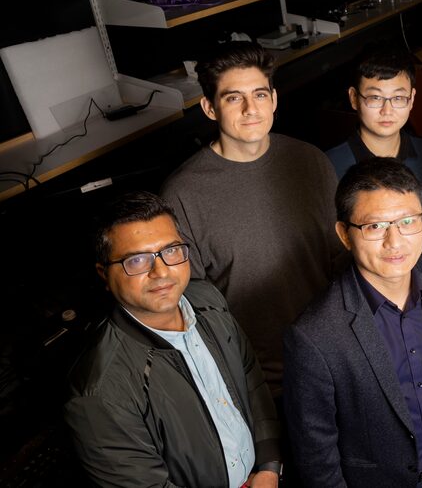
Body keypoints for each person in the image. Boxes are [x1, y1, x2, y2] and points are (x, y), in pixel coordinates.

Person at [283, 158, 422, 488]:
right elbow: (316, 452)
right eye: (375, 226)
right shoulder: (313, 335)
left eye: (408, 221)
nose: (395, 242)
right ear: (344, 234)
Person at [161, 41, 342, 398]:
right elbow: (191, 308)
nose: (250, 109)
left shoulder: (311, 162)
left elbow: (340, 261)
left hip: (331, 361)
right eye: (233, 98)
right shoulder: (182, 195)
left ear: (274, 100)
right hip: (254, 383)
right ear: (209, 108)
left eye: (259, 95)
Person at [64, 191, 281, 488]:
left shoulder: (208, 299)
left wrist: (269, 466)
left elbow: (251, 380)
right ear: (104, 273)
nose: (162, 271)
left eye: (172, 250)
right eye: (137, 260)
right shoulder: (99, 393)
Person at [326, 43, 422, 204]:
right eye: (375, 98)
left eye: (398, 98)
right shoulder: (328, 166)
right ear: (353, 98)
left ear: (412, 98)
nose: (387, 110)